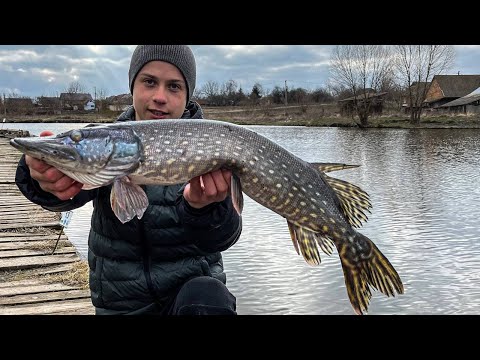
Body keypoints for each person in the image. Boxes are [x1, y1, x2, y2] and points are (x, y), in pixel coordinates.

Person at [14, 45, 242, 315]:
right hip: (121, 303)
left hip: (189, 298)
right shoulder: (103, 140)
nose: (159, 97)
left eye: (174, 86)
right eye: (149, 82)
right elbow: (64, 195)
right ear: (132, 87)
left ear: (187, 95)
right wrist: (38, 177)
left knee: (208, 295)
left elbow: (224, 237)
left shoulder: (213, 148)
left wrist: (204, 210)